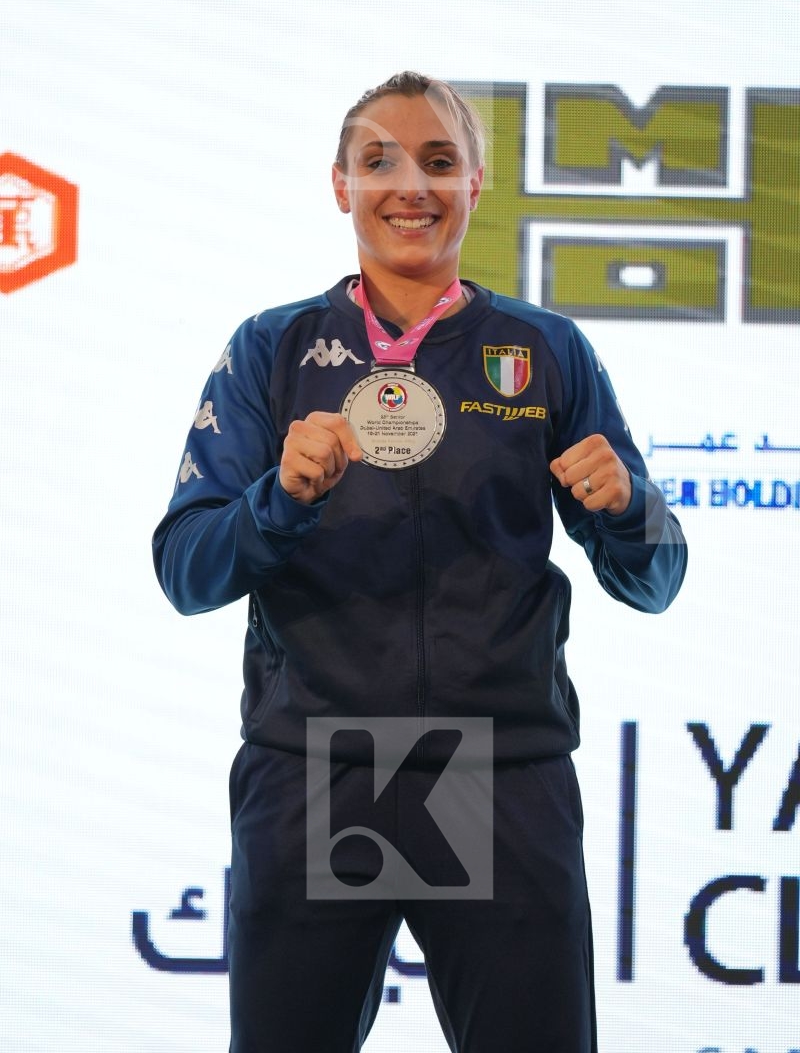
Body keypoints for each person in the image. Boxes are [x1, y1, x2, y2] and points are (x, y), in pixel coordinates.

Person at [153, 71, 687, 1053]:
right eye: (379, 162)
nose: (411, 186)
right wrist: (280, 500)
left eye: (438, 162)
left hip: (497, 775)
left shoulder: (543, 351)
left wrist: (628, 507)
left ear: (475, 185)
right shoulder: (270, 350)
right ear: (338, 185)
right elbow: (186, 570)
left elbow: (654, 578)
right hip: (317, 772)